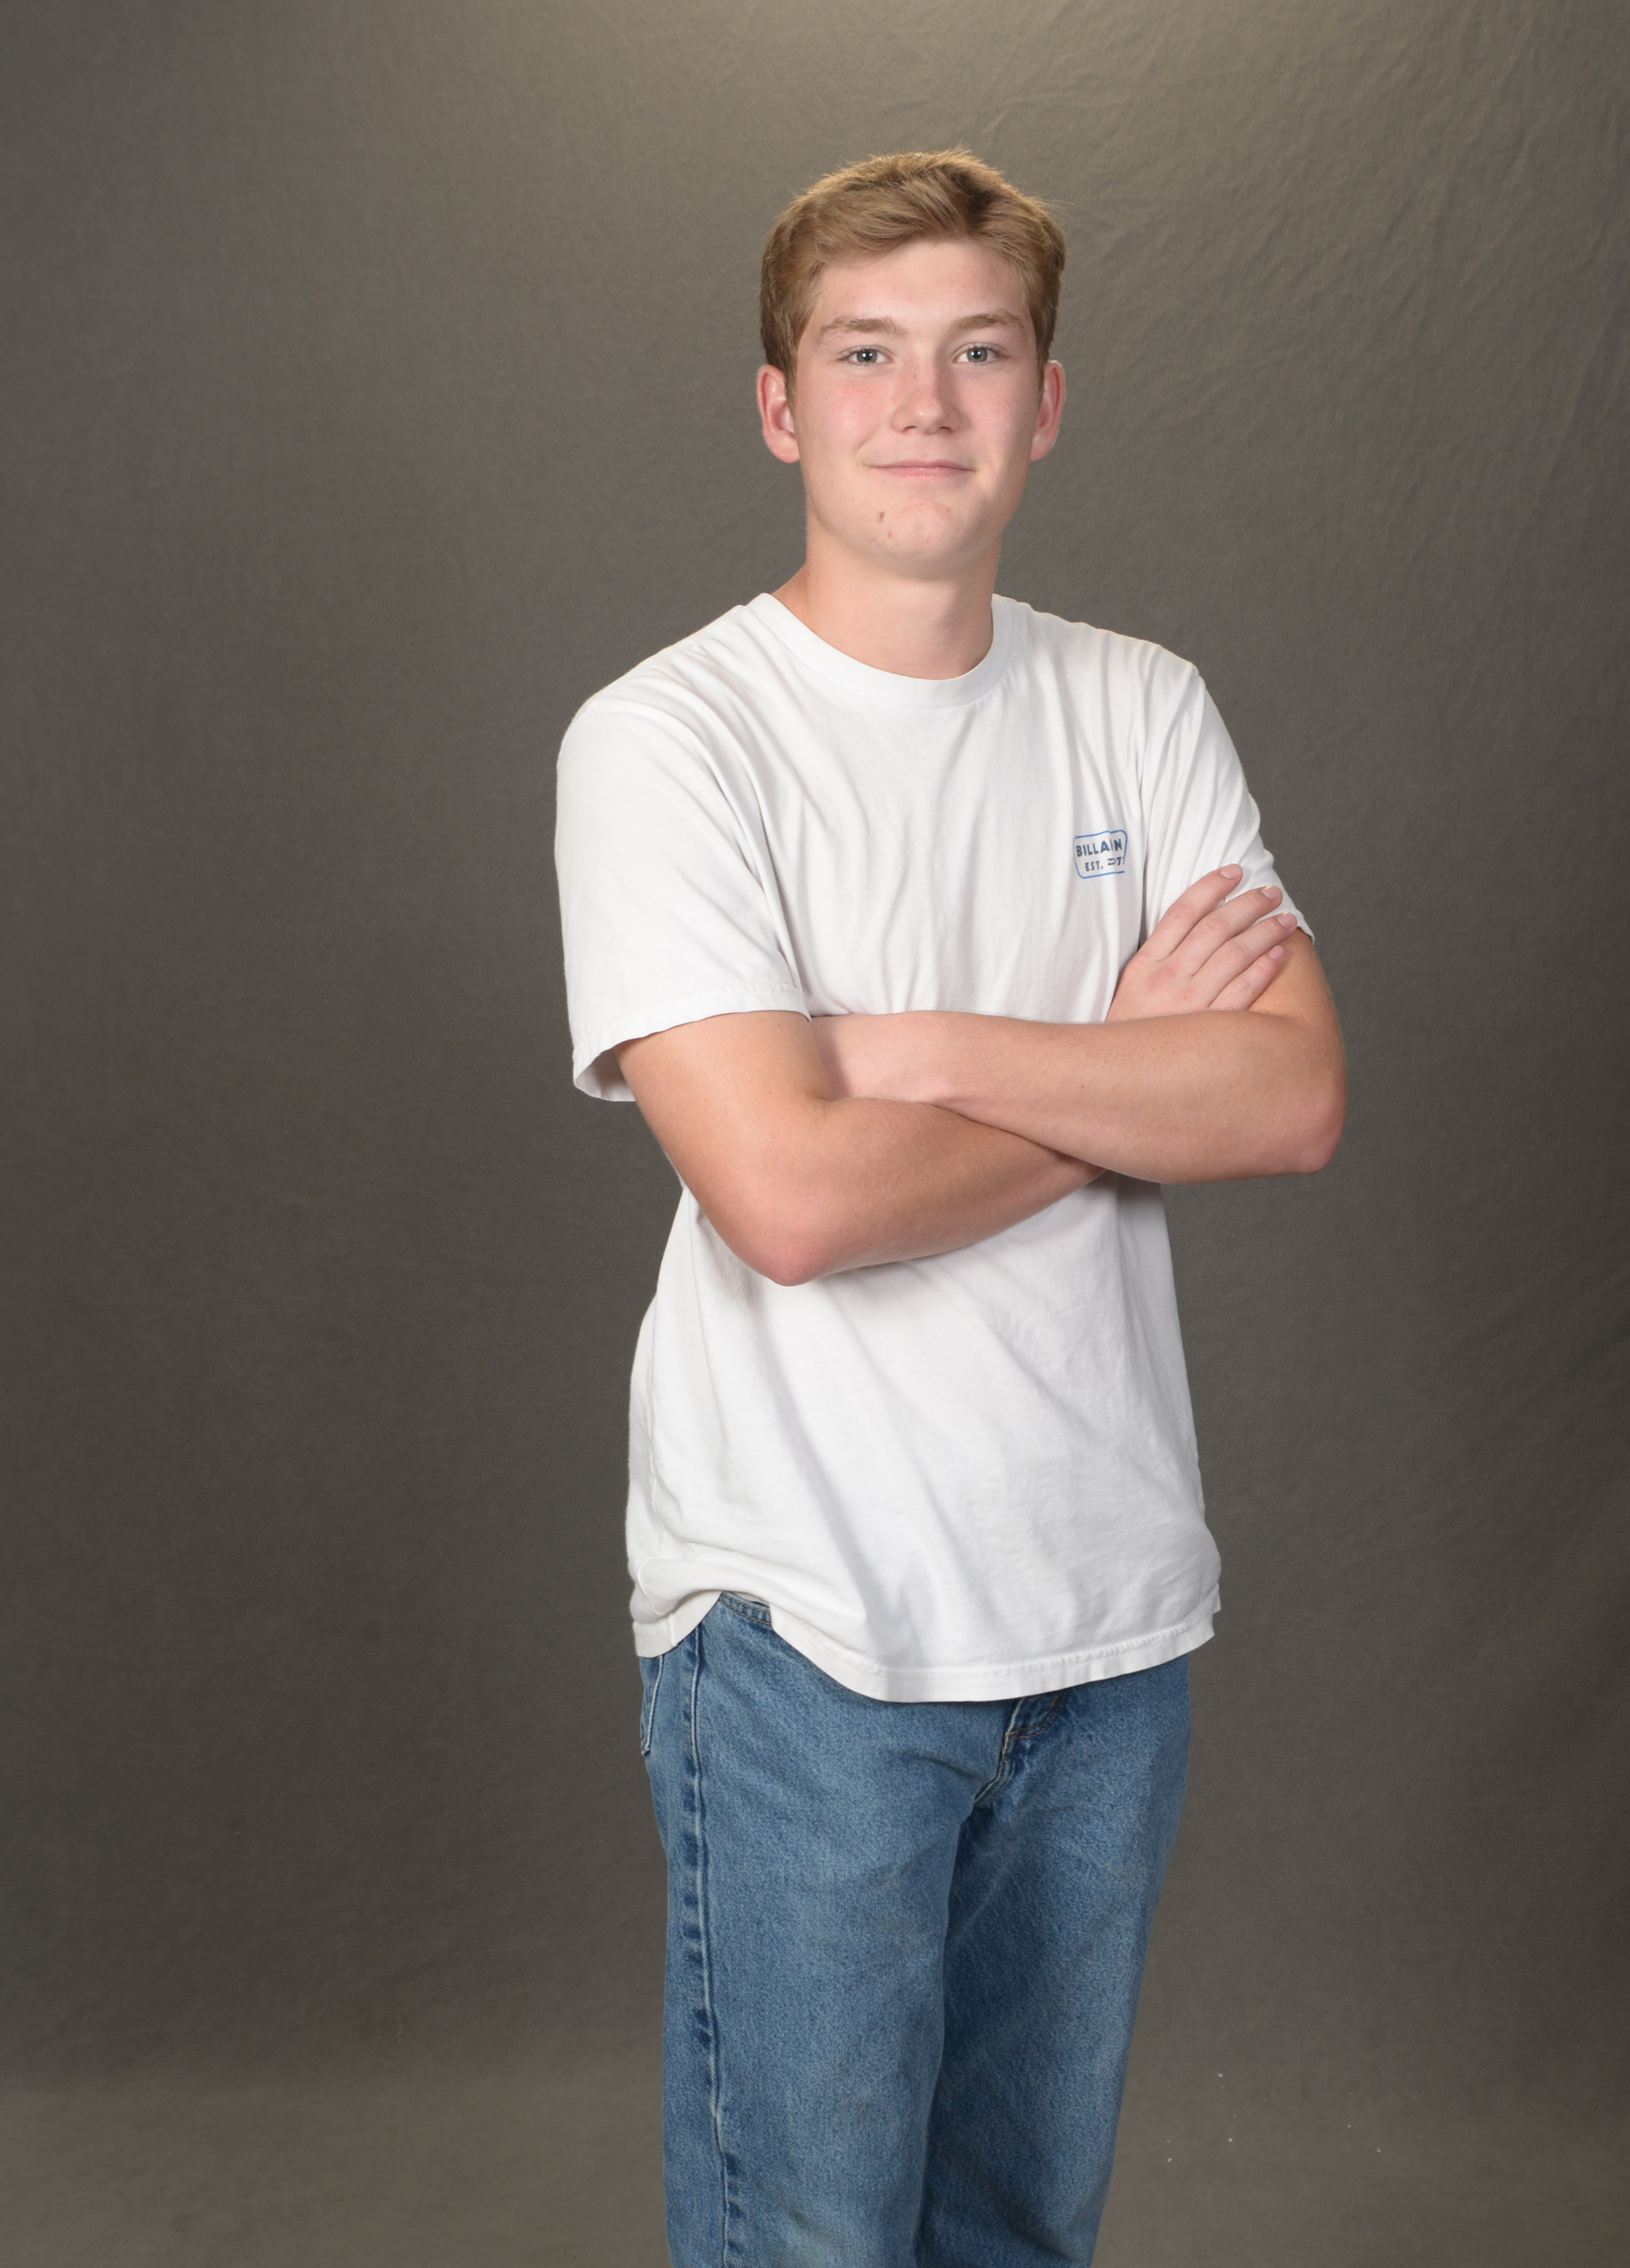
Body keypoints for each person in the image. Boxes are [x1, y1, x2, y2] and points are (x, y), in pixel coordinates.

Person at [554, 148, 1344, 2268]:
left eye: (979, 353)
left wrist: (910, 1046)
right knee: (809, 2241)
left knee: (1018, 2236)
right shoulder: (669, 741)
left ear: (1046, 402)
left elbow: (1288, 1097)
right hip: (807, 1623)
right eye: (865, 354)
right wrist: (1119, 1075)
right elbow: (792, 1197)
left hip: (1108, 1618)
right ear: (779, 406)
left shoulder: (1140, 704)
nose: (924, 403)